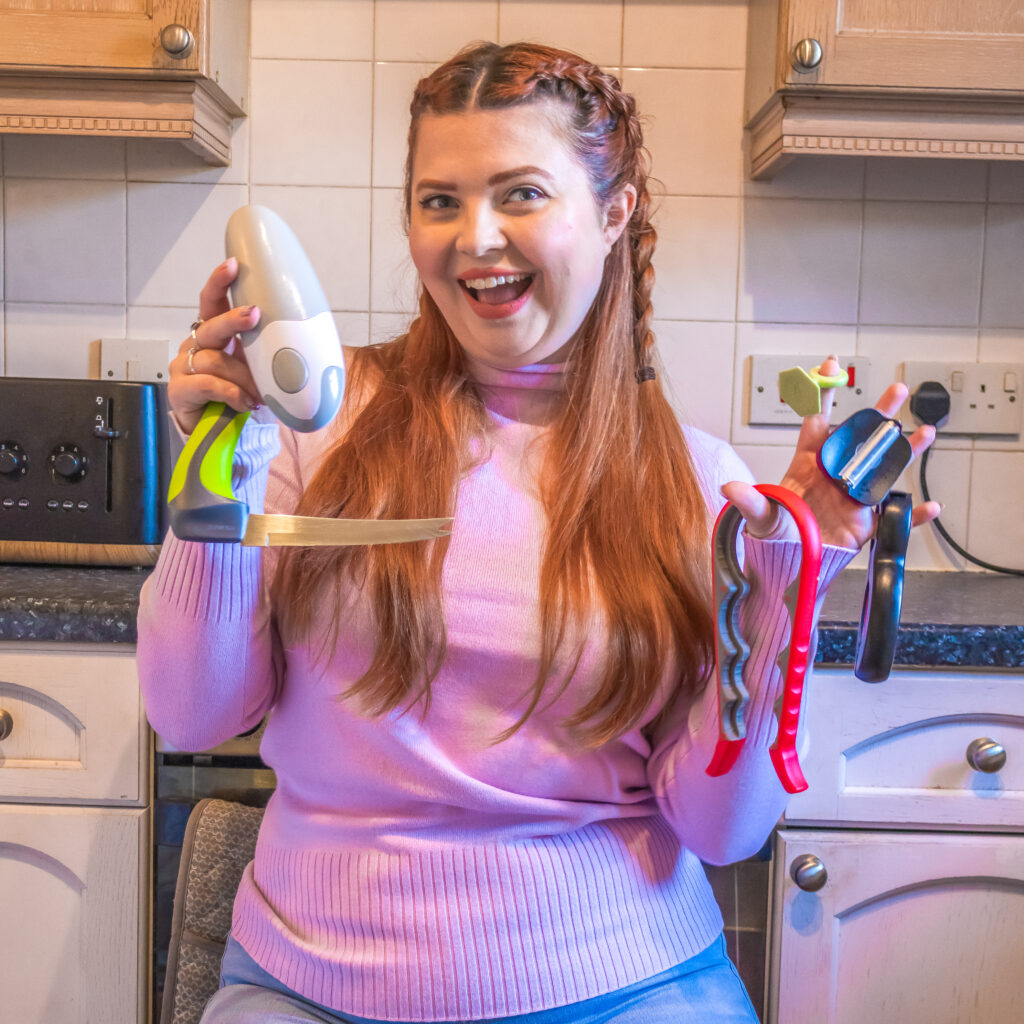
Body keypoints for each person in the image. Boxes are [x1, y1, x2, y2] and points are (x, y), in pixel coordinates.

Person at [137, 41, 938, 1024]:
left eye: (519, 194)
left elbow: (721, 830)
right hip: (310, 992)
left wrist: (787, 575)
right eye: (439, 201)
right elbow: (191, 713)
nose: (475, 237)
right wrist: (221, 454)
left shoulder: (698, 481)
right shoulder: (315, 427)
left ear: (613, 212)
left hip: (629, 986)